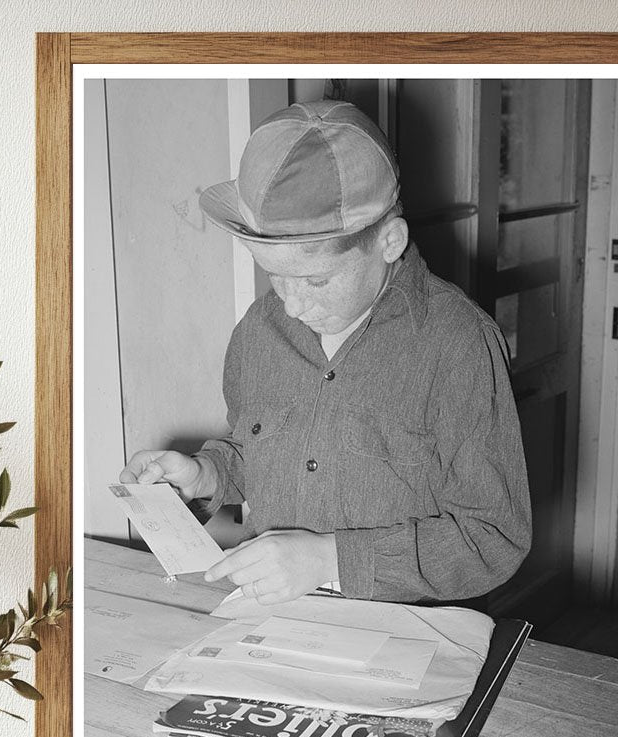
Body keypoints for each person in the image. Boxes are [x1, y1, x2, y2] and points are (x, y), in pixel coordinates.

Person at [120, 100, 531, 606]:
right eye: (274, 274)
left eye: (316, 280)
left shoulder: (458, 344)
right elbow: (262, 452)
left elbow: (493, 537)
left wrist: (327, 558)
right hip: (276, 622)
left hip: (409, 635)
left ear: (389, 242)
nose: (291, 307)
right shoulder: (259, 330)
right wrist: (206, 475)